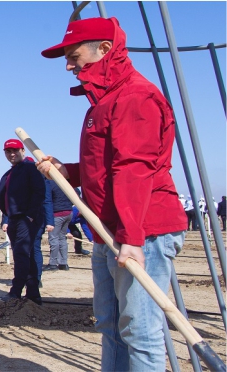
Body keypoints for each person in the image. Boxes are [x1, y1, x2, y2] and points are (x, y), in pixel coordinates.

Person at [37, 17, 187, 370]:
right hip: (107, 230)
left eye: (74, 56)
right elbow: (104, 167)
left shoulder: (136, 97)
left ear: (104, 49)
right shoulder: (102, 103)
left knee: (140, 331)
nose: (69, 65)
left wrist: (132, 237)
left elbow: (134, 170)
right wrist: (67, 172)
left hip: (143, 232)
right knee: (110, 325)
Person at [0, 139, 45, 306]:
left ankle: (16, 291)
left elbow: (39, 191)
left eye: (15, 151)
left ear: (23, 151)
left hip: (26, 218)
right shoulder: (9, 174)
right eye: (8, 151)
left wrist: (30, 215)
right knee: (26, 256)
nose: (12, 154)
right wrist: (8, 216)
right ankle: (33, 294)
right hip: (14, 219)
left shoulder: (31, 169)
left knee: (21, 254)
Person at [43, 179, 74, 271]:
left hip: (57, 213)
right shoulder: (67, 182)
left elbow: (47, 198)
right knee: (62, 238)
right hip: (68, 212)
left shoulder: (50, 183)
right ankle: (63, 263)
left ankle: (53, 263)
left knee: (53, 238)